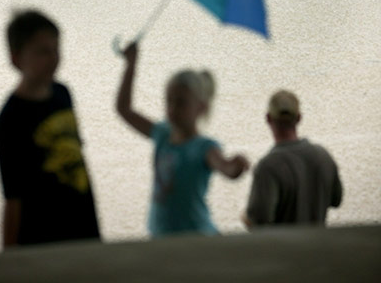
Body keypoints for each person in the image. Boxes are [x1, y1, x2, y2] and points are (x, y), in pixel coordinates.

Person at [117, 41, 249, 237]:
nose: (172, 109)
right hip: (160, 236)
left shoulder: (204, 147)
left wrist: (234, 168)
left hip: (196, 240)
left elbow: (223, 166)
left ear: (201, 108)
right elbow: (124, 109)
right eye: (169, 101)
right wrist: (131, 63)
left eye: (181, 103)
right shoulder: (161, 134)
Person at [0, 10, 100, 247]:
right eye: (43, 51)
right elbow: (13, 198)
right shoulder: (10, 120)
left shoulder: (63, 94)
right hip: (43, 238)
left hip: (85, 228)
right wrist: (10, 259)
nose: (54, 58)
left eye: (56, 48)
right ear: (16, 58)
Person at [244, 89, 343, 228]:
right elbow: (336, 200)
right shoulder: (323, 156)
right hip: (320, 247)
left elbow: (258, 221)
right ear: (299, 118)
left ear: (268, 118)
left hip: (285, 250)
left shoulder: (268, 167)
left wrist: (245, 218)